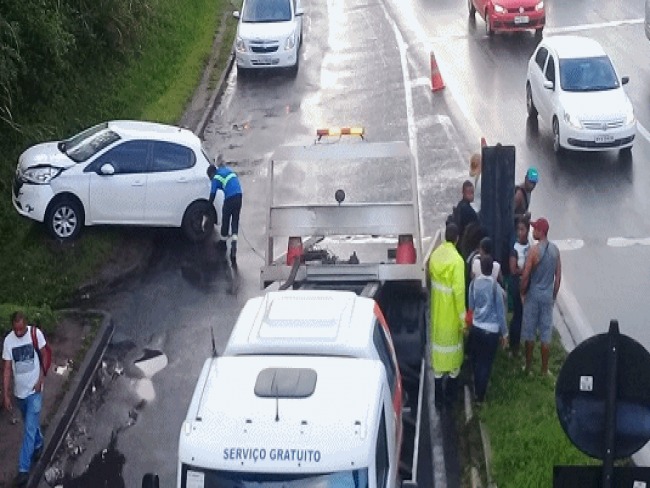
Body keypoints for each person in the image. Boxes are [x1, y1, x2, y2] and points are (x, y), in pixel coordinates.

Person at [3, 312, 46, 487]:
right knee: (30, 423)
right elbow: (6, 369)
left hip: (35, 391)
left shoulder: (36, 334)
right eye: (16, 329)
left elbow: (45, 357)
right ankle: (39, 443)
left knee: (28, 428)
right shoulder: (8, 341)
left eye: (21, 329)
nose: (19, 333)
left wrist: (41, 379)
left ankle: (23, 469)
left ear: (25, 324)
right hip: (19, 394)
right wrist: (5, 394)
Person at [429, 223, 466, 409]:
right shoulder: (457, 262)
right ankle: (450, 398)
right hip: (451, 317)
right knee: (453, 363)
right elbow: (459, 293)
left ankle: (437, 399)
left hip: (437, 316)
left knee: (438, 362)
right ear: (457, 238)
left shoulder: (435, 256)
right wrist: (463, 319)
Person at [520, 218, 561, 376]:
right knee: (545, 333)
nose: (533, 231)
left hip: (533, 295)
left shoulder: (534, 251)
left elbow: (526, 275)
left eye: (535, 229)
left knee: (530, 331)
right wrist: (553, 296)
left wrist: (523, 291)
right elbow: (558, 277)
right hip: (546, 296)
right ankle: (545, 370)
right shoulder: (555, 251)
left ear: (541, 232)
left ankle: (528, 367)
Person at [467, 255, 508, 403]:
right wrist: (505, 334)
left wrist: (469, 325)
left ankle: (477, 388)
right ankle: (481, 395)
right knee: (486, 363)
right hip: (491, 332)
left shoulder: (473, 285)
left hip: (477, 328)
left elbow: (471, 308)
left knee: (477, 361)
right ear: (492, 270)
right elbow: (500, 312)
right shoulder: (495, 288)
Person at [207, 156, 243, 261]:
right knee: (235, 221)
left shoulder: (216, 177)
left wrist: (208, 208)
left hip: (230, 198)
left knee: (226, 220)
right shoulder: (227, 170)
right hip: (239, 195)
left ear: (211, 174)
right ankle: (234, 245)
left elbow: (212, 195)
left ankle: (222, 244)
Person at [508, 217, 531, 357]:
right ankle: (513, 346)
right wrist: (527, 270)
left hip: (528, 285)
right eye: (518, 229)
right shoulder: (515, 249)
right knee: (517, 316)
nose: (519, 232)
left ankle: (522, 346)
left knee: (525, 317)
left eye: (522, 229)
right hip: (518, 286)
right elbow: (513, 270)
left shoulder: (530, 247)